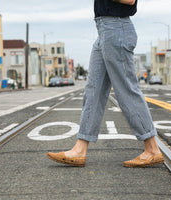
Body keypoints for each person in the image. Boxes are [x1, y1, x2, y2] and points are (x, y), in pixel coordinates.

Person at [47, 0, 164, 168]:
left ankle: (152, 149)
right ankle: (80, 149)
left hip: (116, 28)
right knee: (93, 90)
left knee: (126, 89)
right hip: (104, 29)